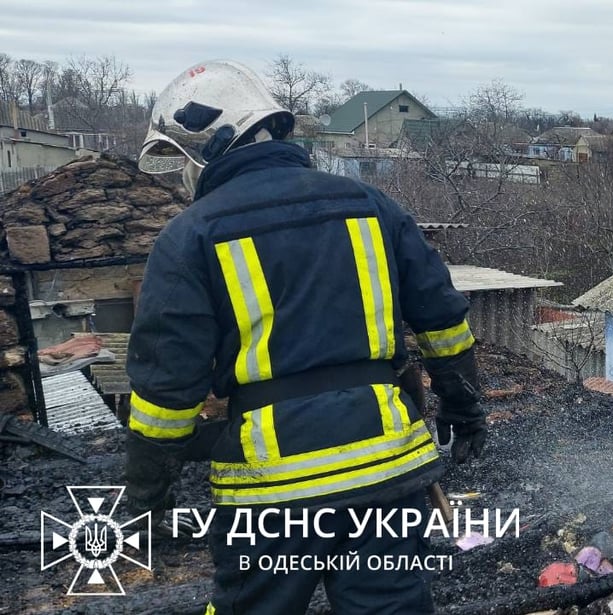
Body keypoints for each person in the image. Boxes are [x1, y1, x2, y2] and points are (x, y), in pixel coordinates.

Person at [122, 59, 486, 614]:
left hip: (269, 494)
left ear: (210, 148)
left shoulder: (190, 237)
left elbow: (165, 393)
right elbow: (444, 326)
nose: (183, 175)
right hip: (385, 474)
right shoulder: (371, 206)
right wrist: (464, 414)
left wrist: (150, 491)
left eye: (183, 161)